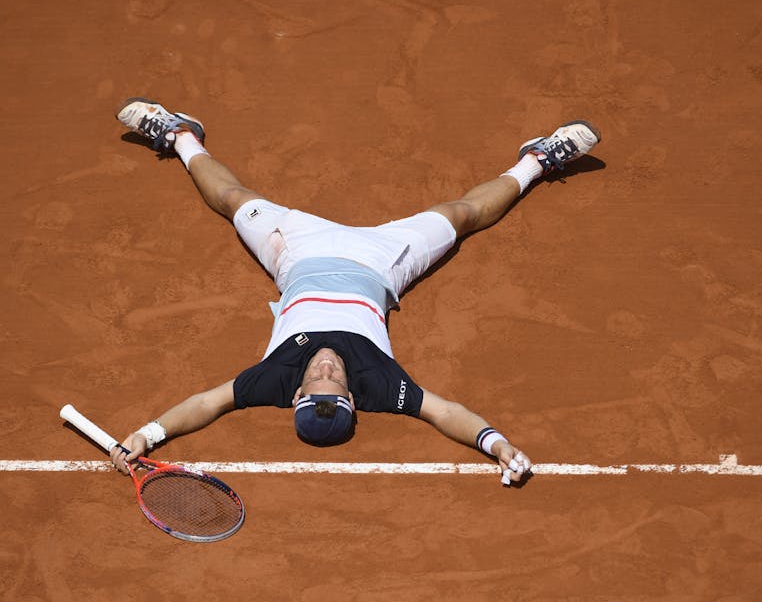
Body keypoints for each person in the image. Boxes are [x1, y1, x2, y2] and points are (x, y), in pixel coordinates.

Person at [108, 97, 601, 485]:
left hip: (295, 254)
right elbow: (445, 412)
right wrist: (497, 445)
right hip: (379, 260)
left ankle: (179, 133)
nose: (328, 366)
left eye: (319, 377)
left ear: (298, 393)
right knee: (463, 216)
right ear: (351, 396)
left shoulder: (272, 381)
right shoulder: (379, 384)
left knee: (234, 200)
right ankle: (539, 158)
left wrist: (148, 434)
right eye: (336, 379)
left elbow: (206, 403)